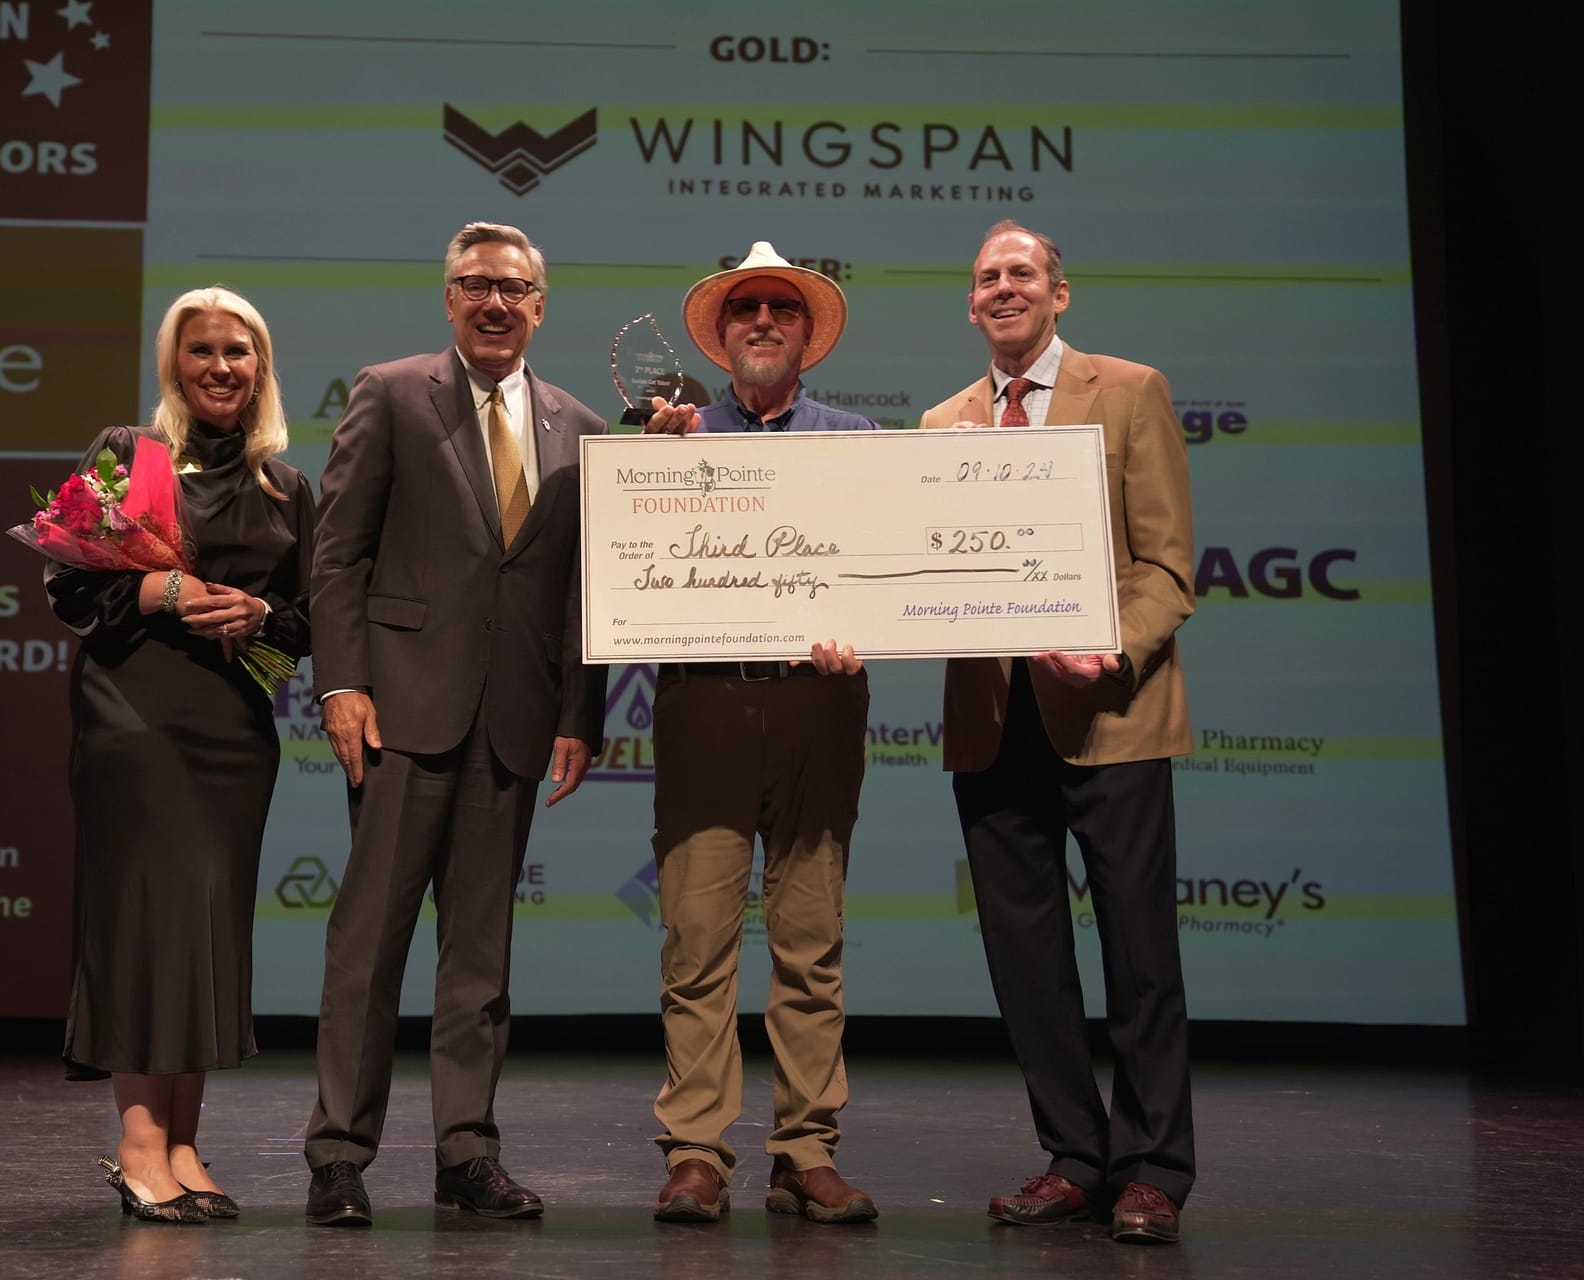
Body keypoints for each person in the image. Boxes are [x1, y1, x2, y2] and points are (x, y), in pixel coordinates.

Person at [303, 221, 609, 1227]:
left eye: (513, 288)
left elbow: (582, 590)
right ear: (448, 300)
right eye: (475, 285)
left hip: (512, 722)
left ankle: (467, 1154)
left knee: (480, 959)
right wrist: (342, 684)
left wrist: (579, 712)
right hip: (398, 714)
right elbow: (337, 553)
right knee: (368, 948)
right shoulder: (392, 393)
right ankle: (338, 1156)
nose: (494, 302)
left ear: (540, 307)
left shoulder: (580, 425)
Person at [921, 220, 1196, 1244]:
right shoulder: (941, 424)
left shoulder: (1129, 391)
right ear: (971, 304)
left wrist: (1112, 651)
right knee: (1027, 962)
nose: (1004, 287)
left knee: (1141, 954)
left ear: (1058, 293)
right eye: (987, 277)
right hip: (993, 727)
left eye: (1022, 273)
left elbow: (1167, 565)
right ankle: (1076, 1158)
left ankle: (1154, 1169)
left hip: (1111, 712)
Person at [48, 286, 314, 1223]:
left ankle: (185, 1143)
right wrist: (160, 591)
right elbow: (70, 588)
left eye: (237, 350)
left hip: (233, 733)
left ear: (260, 365)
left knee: (205, 930)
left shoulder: (288, 488)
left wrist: (259, 615)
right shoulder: (129, 456)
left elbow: (309, 626)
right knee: (143, 927)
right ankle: (138, 1148)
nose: (220, 366)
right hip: (134, 721)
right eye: (201, 350)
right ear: (174, 364)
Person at [638, 242, 878, 1225]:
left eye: (783, 308)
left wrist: (864, 630)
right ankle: (696, 1152)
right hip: (703, 704)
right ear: (722, 335)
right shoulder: (673, 438)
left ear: (808, 335)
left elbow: (883, 578)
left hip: (819, 705)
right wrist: (652, 460)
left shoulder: (859, 443)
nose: (765, 321)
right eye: (748, 309)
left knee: (811, 943)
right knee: (696, 943)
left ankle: (806, 1151)